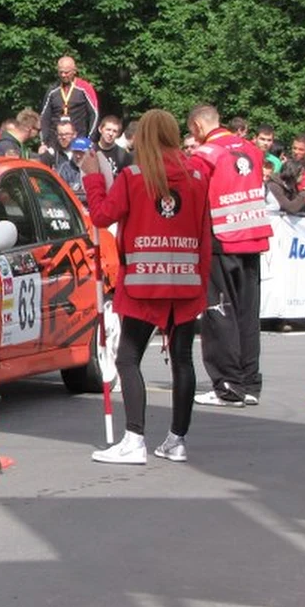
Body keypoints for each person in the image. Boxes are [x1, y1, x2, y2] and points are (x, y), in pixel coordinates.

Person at [80, 109, 211, 464]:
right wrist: (203, 283)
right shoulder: (198, 177)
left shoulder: (134, 176)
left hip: (142, 283)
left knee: (127, 359)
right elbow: (205, 234)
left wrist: (92, 178)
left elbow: (102, 216)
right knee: (182, 361)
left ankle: (134, 438)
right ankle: (176, 440)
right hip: (185, 283)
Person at [187, 103, 273, 407]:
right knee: (247, 314)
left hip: (221, 239)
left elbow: (192, 194)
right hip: (252, 235)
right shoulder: (252, 149)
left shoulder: (205, 154)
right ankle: (249, 383)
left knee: (219, 312)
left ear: (197, 126)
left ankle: (227, 385)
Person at [39, 56, 99, 150]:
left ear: (74, 70)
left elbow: (94, 114)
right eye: (60, 72)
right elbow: (44, 117)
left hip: (78, 140)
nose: (63, 75)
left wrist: (90, 139)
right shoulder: (52, 90)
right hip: (55, 141)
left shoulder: (85, 88)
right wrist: (44, 142)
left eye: (66, 72)